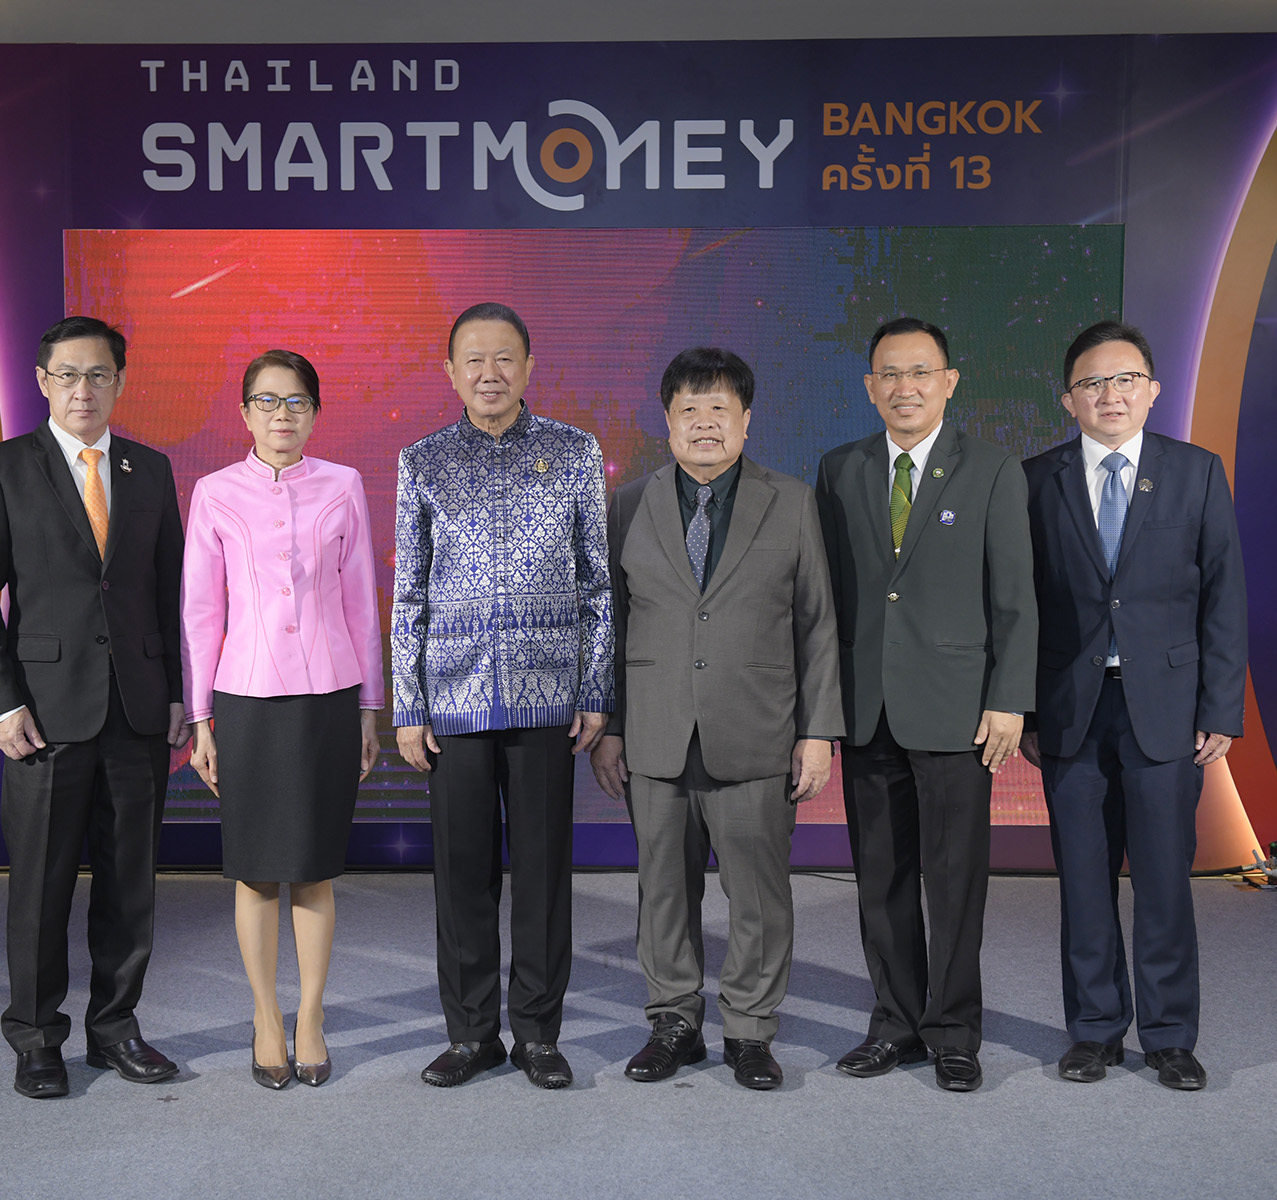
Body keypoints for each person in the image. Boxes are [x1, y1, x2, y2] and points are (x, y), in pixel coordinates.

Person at [592, 348, 843, 1091]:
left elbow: (817, 624)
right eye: (689, 409)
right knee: (663, 890)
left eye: (719, 409)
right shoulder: (628, 504)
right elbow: (613, 625)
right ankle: (673, 1022)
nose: (705, 423)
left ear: (746, 419)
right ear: (667, 420)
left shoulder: (790, 501)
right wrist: (611, 727)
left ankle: (750, 1031)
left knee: (758, 895)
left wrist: (818, 732)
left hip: (757, 732)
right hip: (656, 734)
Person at [0, 315, 188, 1099]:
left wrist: (176, 691)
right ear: (41, 382)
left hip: (137, 710)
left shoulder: (149, 469)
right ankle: (35, 1039)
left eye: (98, 375)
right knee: (41, 888)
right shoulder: (1, 468)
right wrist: (2, 704)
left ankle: (115, 1028)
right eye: (67, 374)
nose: (82, 389)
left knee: (130, 886)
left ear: (120, 382)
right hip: (43, 716)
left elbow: (167, 592)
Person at [1020, 321, 1247, 1091]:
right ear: (1068, 400)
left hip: (1167, 710)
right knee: (1084, 883)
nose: (1109, 395)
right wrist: (1023, 709)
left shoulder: (1196, 472)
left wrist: (1220, 706)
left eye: (1125, 380)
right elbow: (1019, 604)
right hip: (1071, 709)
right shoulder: (1034, 479)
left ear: (1152, 390)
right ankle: (1093, 1031)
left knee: (1163, 882)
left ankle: (1171, 1037)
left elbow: (1224, 596)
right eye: (1092, 383)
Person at [392, 302, 613, 1090]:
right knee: (463, 876)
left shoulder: (575, 452)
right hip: (452, 700)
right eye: (473, 360)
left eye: (504, 358)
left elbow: (598, 584)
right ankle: (471, 1034)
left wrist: (595, 687)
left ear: (528, 367)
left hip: (548, 696)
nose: (489, 373)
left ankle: (539, 1036)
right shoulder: (422, 461)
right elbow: (409, 592)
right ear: (450, 371)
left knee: (544, 874)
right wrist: (408, 705)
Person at [813, 315, 1036, 1093]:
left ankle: (954, 1031)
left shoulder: (993, 469)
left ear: (949, 382)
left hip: (957, 710)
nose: (904, 387)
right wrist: (823, 706)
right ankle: (895, 1024)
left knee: (954, 882)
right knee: (880, 878)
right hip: (867, 707)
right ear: (869, 387)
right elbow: (828, 600)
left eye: (919, 372)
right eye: (889, 374)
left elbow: (1016, 598)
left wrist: (1010, 699)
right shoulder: (839, 468)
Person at [181, 350, 384, 1090]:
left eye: (297, 401)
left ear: (316, 413)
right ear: (244, 413)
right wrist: (201, 719)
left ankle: (312, 1017)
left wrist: (370, 707)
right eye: (267, 401)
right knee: (258, 871)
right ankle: (266, 1016)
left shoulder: (343, 484)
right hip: (245, 698)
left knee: (316, 868)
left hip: (329, 695)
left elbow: (361, 599)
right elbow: (201, 611)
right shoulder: (214, 493)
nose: (282, 415)